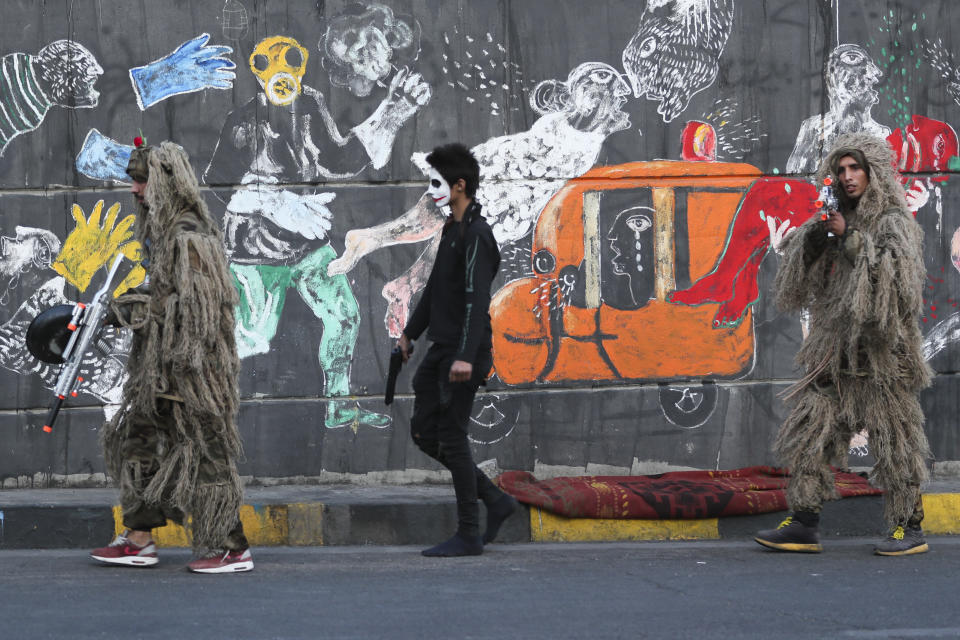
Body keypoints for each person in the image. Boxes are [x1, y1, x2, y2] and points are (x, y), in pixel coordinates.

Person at [755, 133, 933, 556]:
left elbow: (897, 283)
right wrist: (818, 235)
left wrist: (850, 235)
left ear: (873, 171)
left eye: (856, 168)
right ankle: (803, 522)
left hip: (882, 355)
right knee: (810, 432)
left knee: (896, 442)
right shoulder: (833, 216)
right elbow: (798, 275)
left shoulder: (892, 219)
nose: (848, 176)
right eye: (841, 169)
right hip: (834, 353)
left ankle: (908, 527)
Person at [90, 140, 253, 573]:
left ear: (164, 181)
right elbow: (165, 295)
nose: (135, 190)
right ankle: (139, 538)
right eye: (133, 181)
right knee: (139, 439)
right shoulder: (163, 234)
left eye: (141, 181)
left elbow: (195, 310)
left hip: (192, 371)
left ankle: (231, 548)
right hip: (158, 370)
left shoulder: (189, 236)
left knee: (205, 452)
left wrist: (135, 309)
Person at [398, 143, 519, 557]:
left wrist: (466, 357)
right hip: (442, 348)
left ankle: (469, 532)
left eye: (437, 183)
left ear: (459, 185)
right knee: (423, 431)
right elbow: (435, 290)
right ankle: (495, 500)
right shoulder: (452, 230)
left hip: (463, 352)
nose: (431, 191)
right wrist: (411, 332)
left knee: (451, 435)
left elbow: (475, 301)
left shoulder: (478, 237)